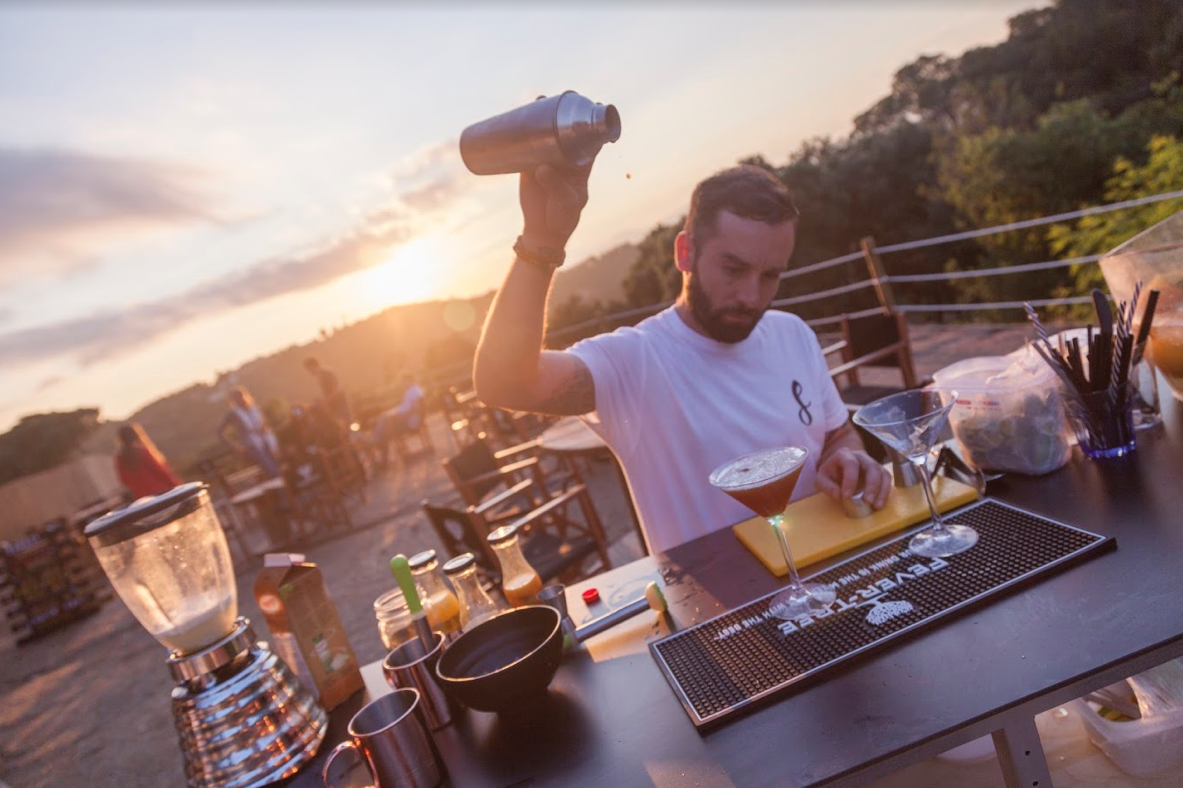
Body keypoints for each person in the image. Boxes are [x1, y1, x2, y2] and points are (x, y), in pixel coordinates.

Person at [473, 163, 892, 554]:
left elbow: (837, 433)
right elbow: (503, 383)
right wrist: (541, 242)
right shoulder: (635, 360)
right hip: (720, 603)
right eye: (733, 269)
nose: (751, 297)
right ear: (685, 253)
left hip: (830, 571)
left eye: (770, 276)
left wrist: (848, 458)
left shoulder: (794, 333)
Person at [219, 386, 282, 478]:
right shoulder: (233, 413)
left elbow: (263, 424)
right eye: (237, 397)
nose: (240, 399)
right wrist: (236, 445)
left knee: (280, 463)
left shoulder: (253, 408)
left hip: (265, 440)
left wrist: (267, 433)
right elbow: (220, 431)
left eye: (241, 396)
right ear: (233, 400)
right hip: (252, 445)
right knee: (272, 469)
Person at [369, 374, 426, 468]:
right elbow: (409, 406)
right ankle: (378, 443)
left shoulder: (415, 391)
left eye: (403, 381)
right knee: (384, 421)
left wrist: (400, 414)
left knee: (385, 428)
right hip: (406, 417)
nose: (402, 384)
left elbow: (416, 407)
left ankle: (376, 442)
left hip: (410, 421)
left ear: (408, 380)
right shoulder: (412, 390)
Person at [114, 423, 181, 500]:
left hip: (142, 498)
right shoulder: (142, 452)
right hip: (161, 492)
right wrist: (177, 485)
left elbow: (124, 480)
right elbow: (160, 471)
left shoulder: (119, 458)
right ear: (135, 435)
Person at [303, 356, 352, 433]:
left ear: (312, 366)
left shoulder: (326, 373)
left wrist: (326, 400)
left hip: (340, 405)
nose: (309, 372)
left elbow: (338, 389)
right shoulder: (320, 375)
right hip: (334, 406)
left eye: (308, 369)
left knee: (346, 427)